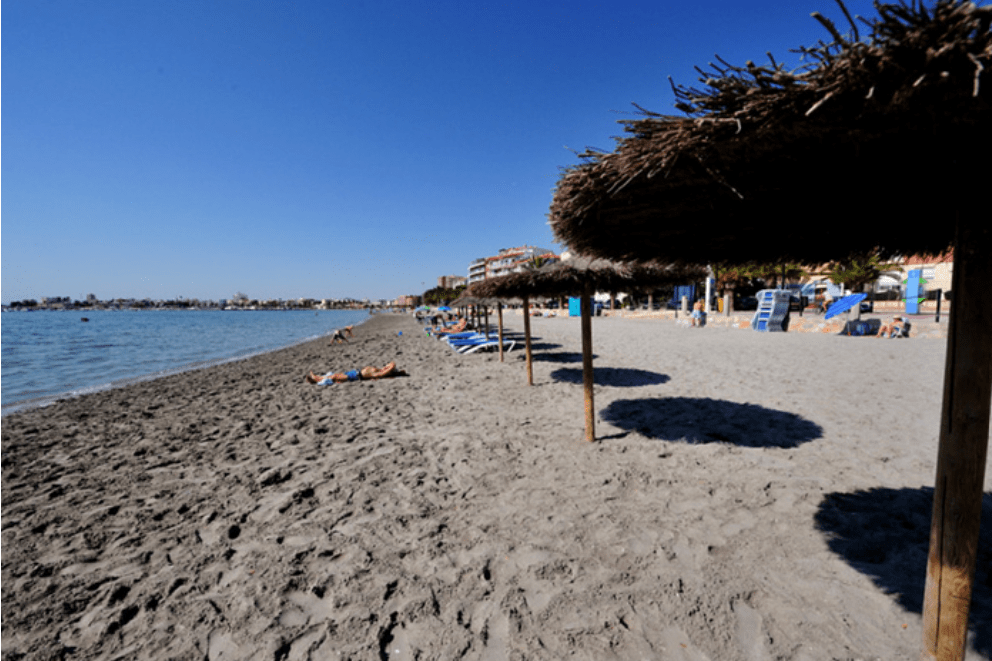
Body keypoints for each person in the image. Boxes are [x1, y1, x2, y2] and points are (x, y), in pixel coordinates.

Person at [305, 362, 407, 385]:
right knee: (335, 374)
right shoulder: (380, 371)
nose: (386, 367)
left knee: (335, 376)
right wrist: (386, 367)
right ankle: (318, 378)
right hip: (354, 372)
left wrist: (387, 370)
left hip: (355, 376)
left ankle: (316, 379)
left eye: (387, 369)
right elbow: (392, 364)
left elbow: (393, 365)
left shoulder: (379, 374)